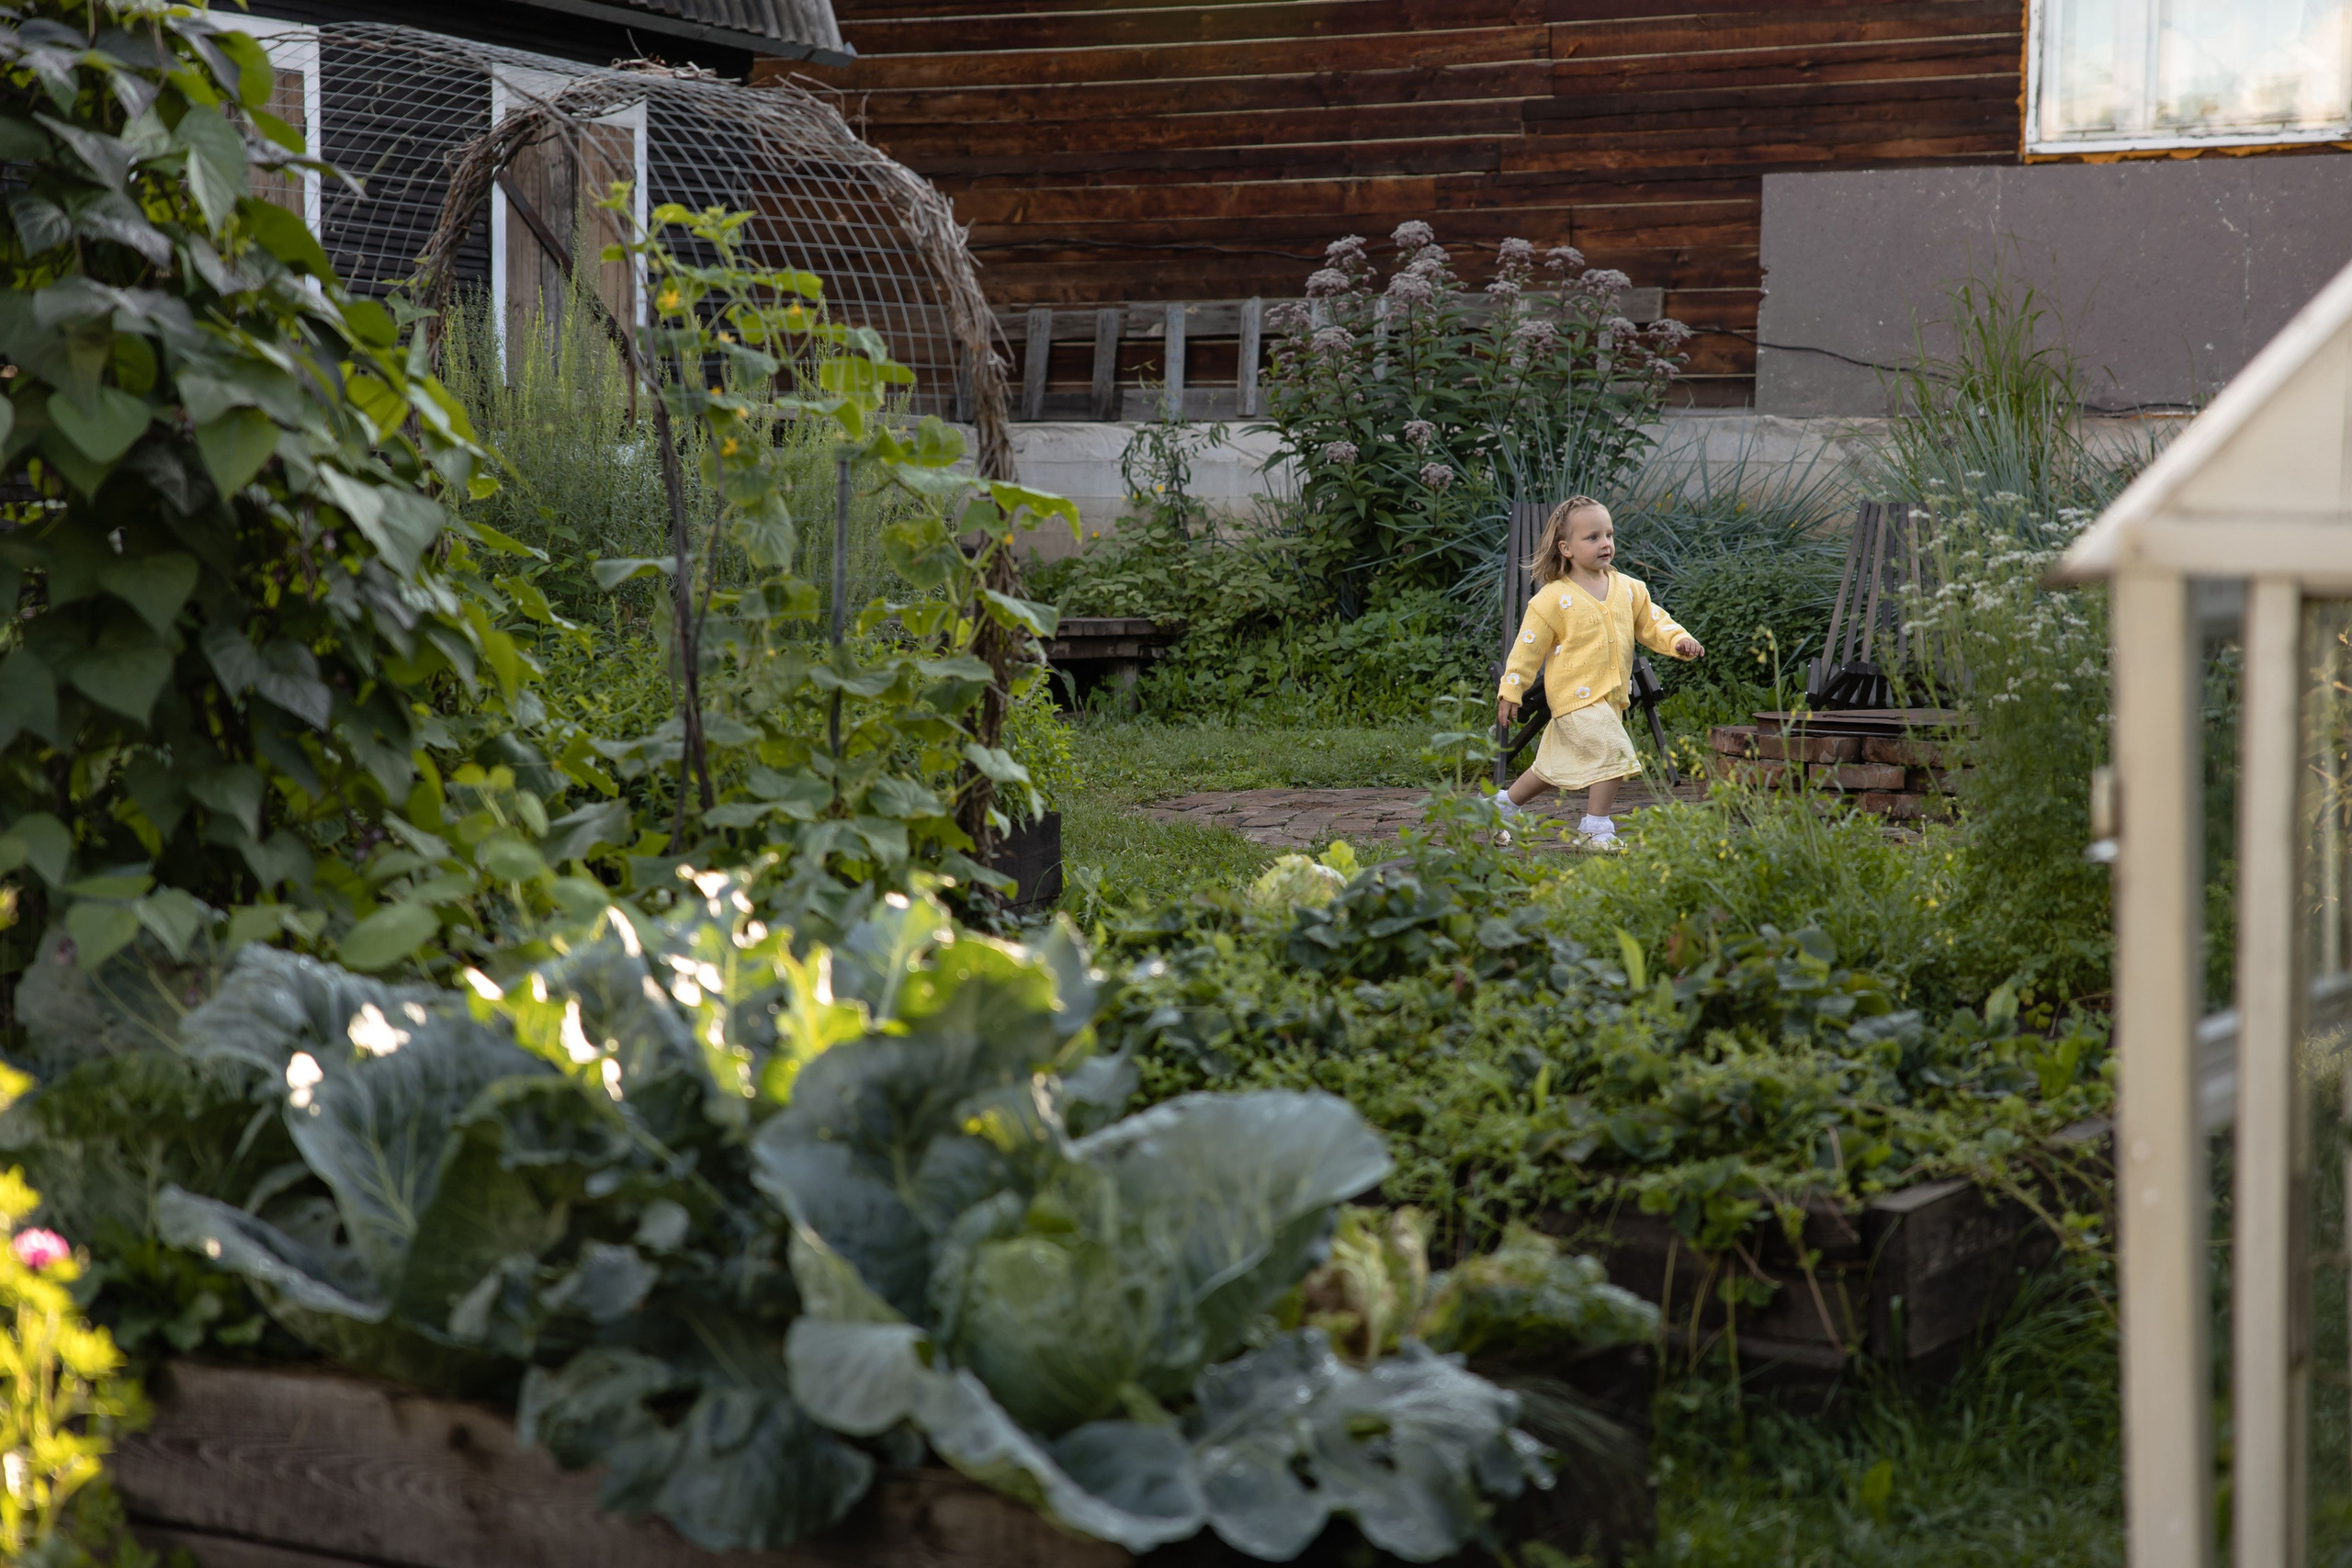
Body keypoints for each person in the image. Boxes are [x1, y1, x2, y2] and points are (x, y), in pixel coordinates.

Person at [1492, 494, 1703, 847]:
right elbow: (1527, 648)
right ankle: (1595, 829)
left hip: (1611, 698)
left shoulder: (1629, 589)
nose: (1605, 543)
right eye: (1592, 537)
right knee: (1615, 751)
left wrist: (1678, 640)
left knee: (1551, 766)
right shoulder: (1553, 598)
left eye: (1609, 535)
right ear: (1566, 549)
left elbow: (1654, 623)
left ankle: (1502, 806)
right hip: (1574, 696)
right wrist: (1511, 689)